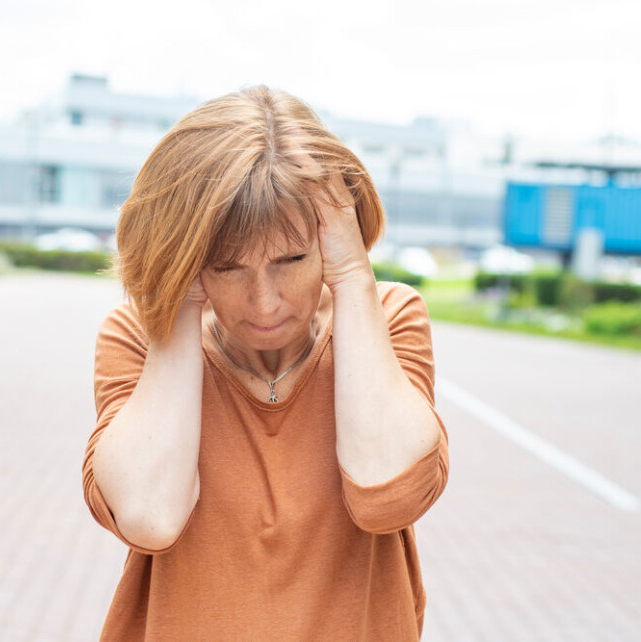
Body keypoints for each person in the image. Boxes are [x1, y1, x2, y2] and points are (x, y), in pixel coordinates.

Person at [81, 85, 449, 641]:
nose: (266, 302)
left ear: (333, 239)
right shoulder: (137, 338)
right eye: (228, 267)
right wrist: (177, 294)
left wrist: (351, 275)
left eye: (292, 259)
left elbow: (387, 495)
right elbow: (149, 515)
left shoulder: (390, 317)